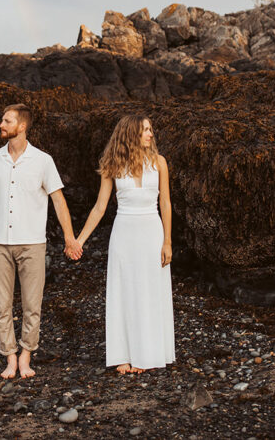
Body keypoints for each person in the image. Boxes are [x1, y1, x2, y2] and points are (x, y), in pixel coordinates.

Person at [0, 103, 83, 379]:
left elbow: (58, 200)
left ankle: (26, 356)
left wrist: (70, 239)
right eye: (2, 119)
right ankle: (9, 357)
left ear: (21, 126)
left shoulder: (43, 160)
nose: (1, 124)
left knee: (32, 305)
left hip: (32, 244)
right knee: (2, 305)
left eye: (7, 120)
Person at [76, 115, 175, 373]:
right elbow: (100, 207)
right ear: (131, 134)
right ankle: (124, 355)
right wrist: (79, 240)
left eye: (150, 129)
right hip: (124, 234)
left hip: (152, 232)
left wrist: (167, 241)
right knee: (124, 292)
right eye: (145, 130)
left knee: (151, 293)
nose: (150, 134)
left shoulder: (160, 162)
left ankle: (149, 354)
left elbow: (165, 203)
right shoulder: (113, 166)